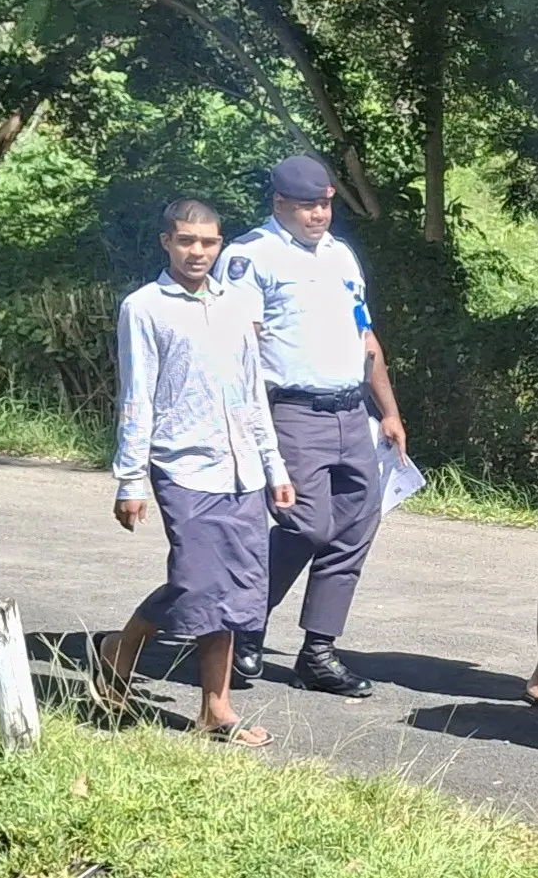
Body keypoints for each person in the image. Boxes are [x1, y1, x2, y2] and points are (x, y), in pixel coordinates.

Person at [88, 197, 294, 748]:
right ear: (167, 242)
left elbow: (253, 392)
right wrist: (131, 480)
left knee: (237, 587)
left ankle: (215, 708)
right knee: (197, 582)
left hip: (244, 470)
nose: (197, 251)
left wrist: (273, 465)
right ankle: (120, 649)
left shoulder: (236, 305)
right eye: (186, 240)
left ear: (220, 244)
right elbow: (137, 397)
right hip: (183, 465)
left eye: (207, 242)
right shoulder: (145, 306)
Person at [215, 155, 406, 699]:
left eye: (324, 204)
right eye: (306, 206)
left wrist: (388, 410)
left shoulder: (341, 256)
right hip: (293, 412)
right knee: (307, 525)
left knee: (354, 529)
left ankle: (318, 652)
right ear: (279, 204)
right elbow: (241, 347)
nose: (319, 214)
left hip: (352, 413)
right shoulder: (252, 256)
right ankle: (243, 623)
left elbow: (365, 338)